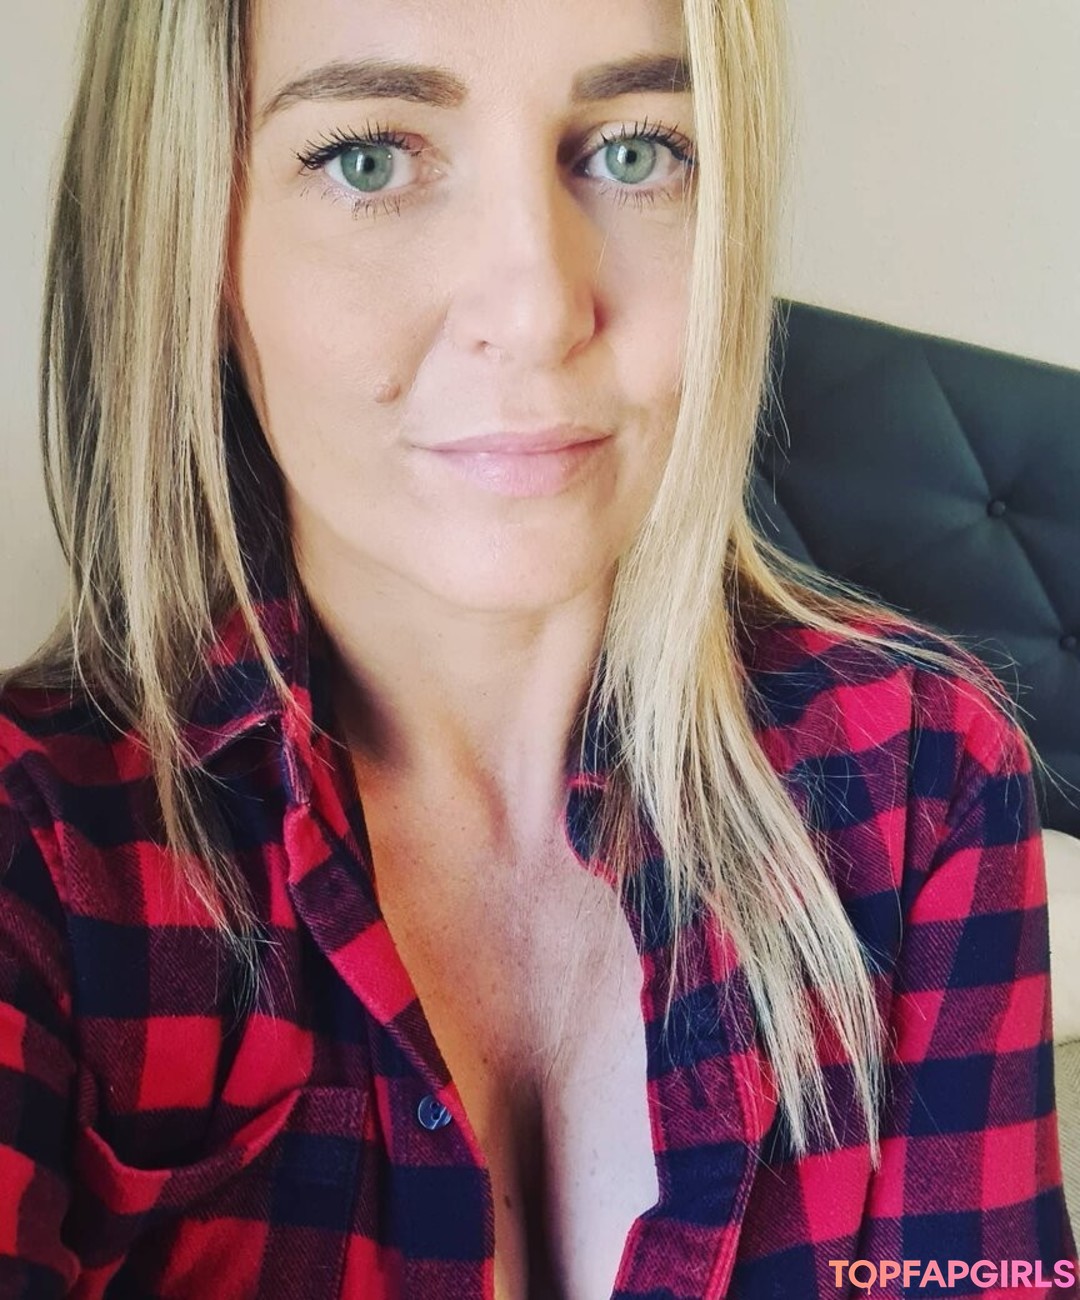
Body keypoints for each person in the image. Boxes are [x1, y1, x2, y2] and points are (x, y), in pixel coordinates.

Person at [0, 0, 1075, 1296]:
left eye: (635, 150)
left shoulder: (920, 774)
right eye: (368, 160)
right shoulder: (39, 862)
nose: (537, 308)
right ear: (196, 248)